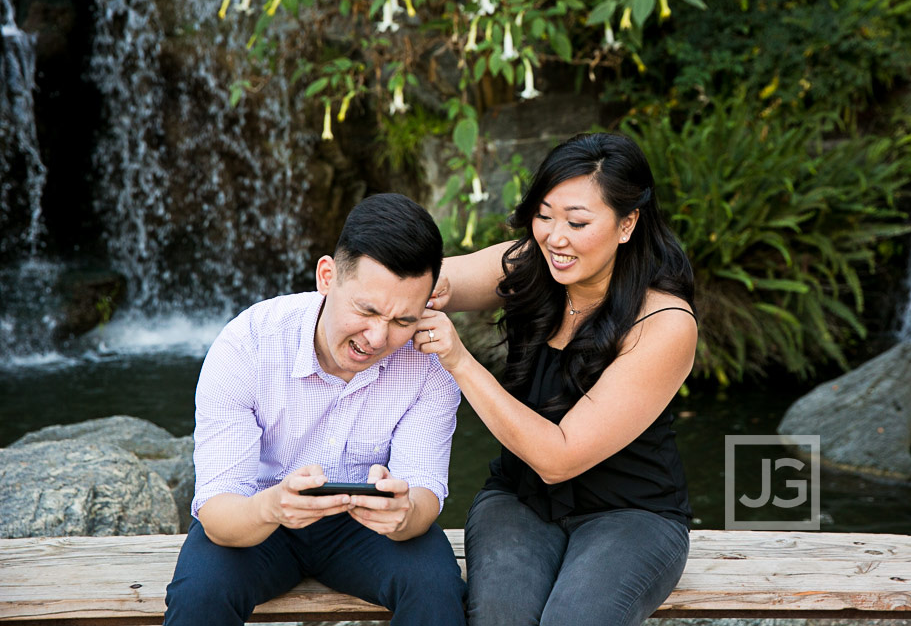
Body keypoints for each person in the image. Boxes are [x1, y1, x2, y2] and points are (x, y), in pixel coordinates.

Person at [414, 132, 696, 626]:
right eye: (544, 216)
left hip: (631, 514)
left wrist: (458, 360)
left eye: (577, 222)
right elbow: (432, 282)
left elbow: (558, 458)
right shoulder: (532, 264)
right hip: (520, 502)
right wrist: (369, 286)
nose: (554, 237)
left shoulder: (666, 322)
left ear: (627, 223)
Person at [164, 193, 466, 626]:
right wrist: (272, 507)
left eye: (404, 321)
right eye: (367, 310)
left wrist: (404, 514)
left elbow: (423, 493)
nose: (378, 338)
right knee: (200, 594)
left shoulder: (431, 364)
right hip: (259, 515)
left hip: (368, 528)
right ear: (327, 276)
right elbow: (218, 511)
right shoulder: (246, 345)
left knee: (436, 588)